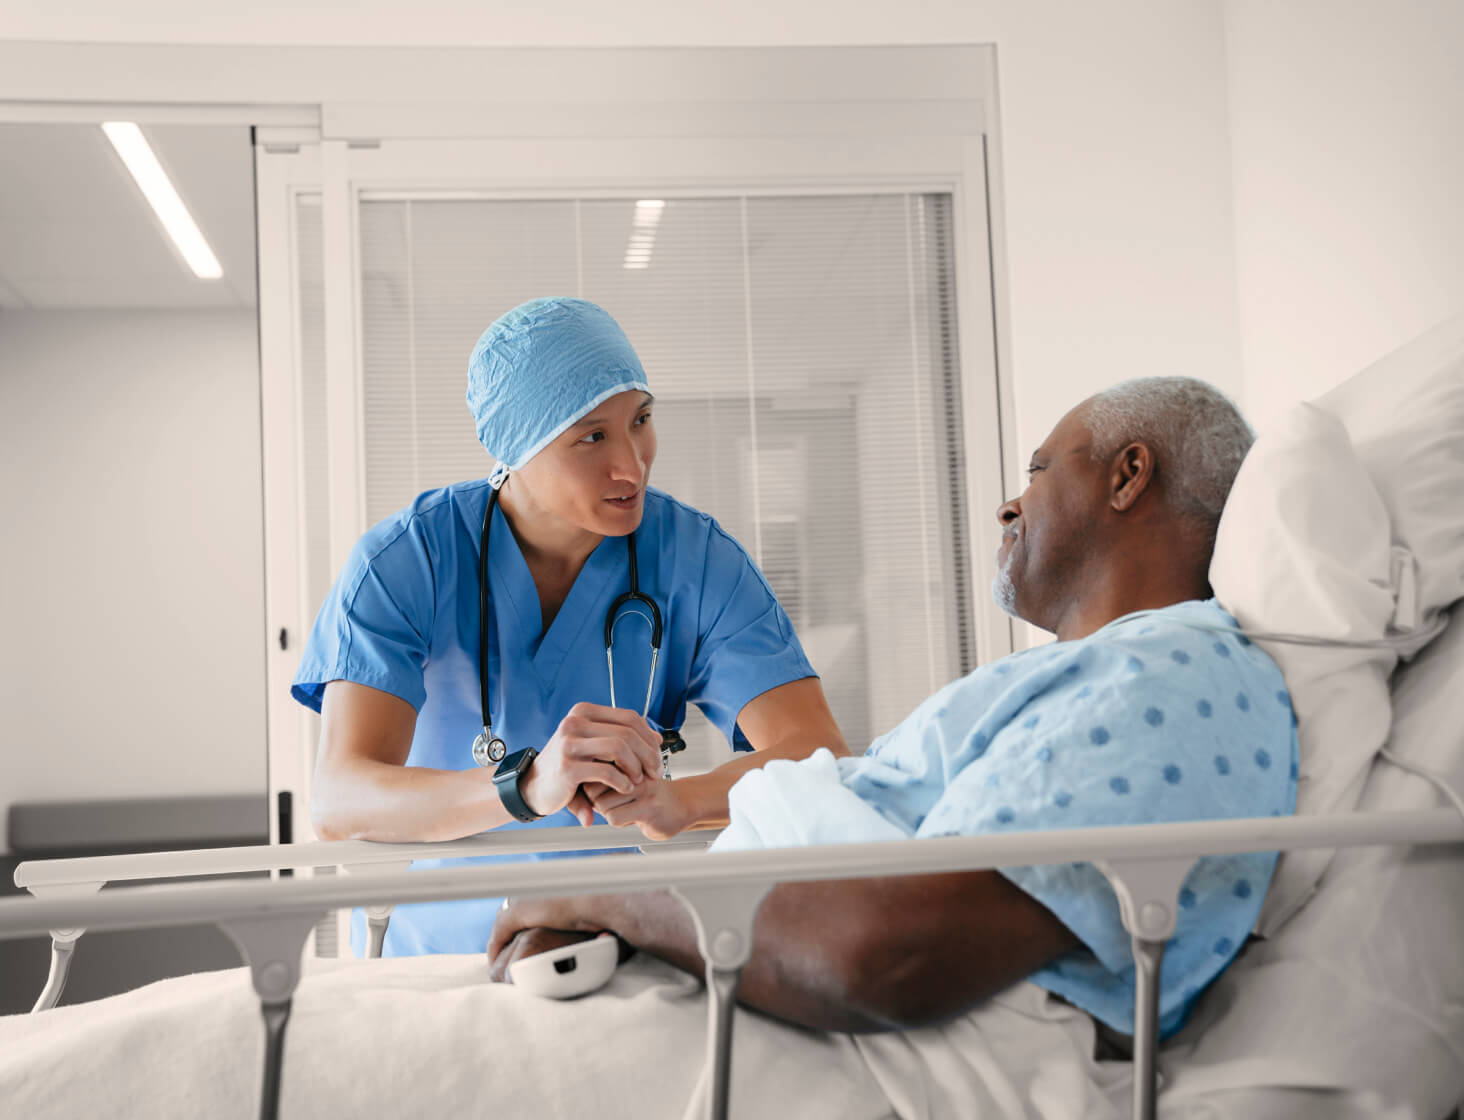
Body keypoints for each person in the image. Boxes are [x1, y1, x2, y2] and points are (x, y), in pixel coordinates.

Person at [489, 376, 1298, 1043]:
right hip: (754, 967)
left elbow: (889, 956)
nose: (1008, 507)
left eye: (1039, 472)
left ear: (1128, 475)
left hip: (818, 1021)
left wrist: (598, 897)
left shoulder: (1163, 679)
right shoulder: (1090, 678)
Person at [291, 297, 846, 956]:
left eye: (640, 420)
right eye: (592, 437)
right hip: (430, 963)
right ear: (515, 447)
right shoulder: (410, 561)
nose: (632, 466)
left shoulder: (694, 560)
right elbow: (338, 799)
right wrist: (525, 785)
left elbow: (817, 756)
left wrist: (683, 802)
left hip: (607, 953)